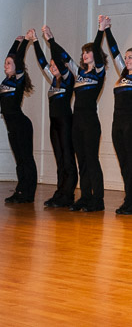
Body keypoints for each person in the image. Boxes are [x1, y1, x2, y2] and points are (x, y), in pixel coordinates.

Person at [45, 19, 108, 212]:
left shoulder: (98, 72)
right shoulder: (79, 73)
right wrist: (51, 40)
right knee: (82, 161)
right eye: (83, 53)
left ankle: (97, 199)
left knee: (92, 160)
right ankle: (85, 197)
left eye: (88, 52)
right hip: (77, 122)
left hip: (90, 122)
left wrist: (100, 31)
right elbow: (62, 57)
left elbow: (97, 49)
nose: (85, 55)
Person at [103, 16, 132, 215]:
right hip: (118, 123)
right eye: (127, 57)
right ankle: (129, 199)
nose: (127, 59)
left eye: (131, 57)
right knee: (124, 164)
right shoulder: (123, 76)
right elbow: (114, 51)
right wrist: (106, 30)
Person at [28, 28, 77, 207]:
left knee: (68, 158)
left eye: (55, 64)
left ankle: (68, 194)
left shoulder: (68, 79)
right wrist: (35, 41)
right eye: (52, 65)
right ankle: (60, 192)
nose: (52, 67)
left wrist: (51, 41)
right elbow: (42, 62)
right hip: (54, 124)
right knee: (59, 159)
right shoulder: (53, 80)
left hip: (65, 123)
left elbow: (57, 59)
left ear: (62, 66)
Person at [1, 35, 37, 203]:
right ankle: (20, 191)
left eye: (9, 63)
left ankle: (29, 193)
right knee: (19, 161)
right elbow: (12, 56)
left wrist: (24, 42)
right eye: (5, 63)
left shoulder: (18, 80)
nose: (5, 65)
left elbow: (18, 58)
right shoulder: (5, 82)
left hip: (22, 125)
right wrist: (16, 42)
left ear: (17, 66)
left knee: (26, 159)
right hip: (12, 127)